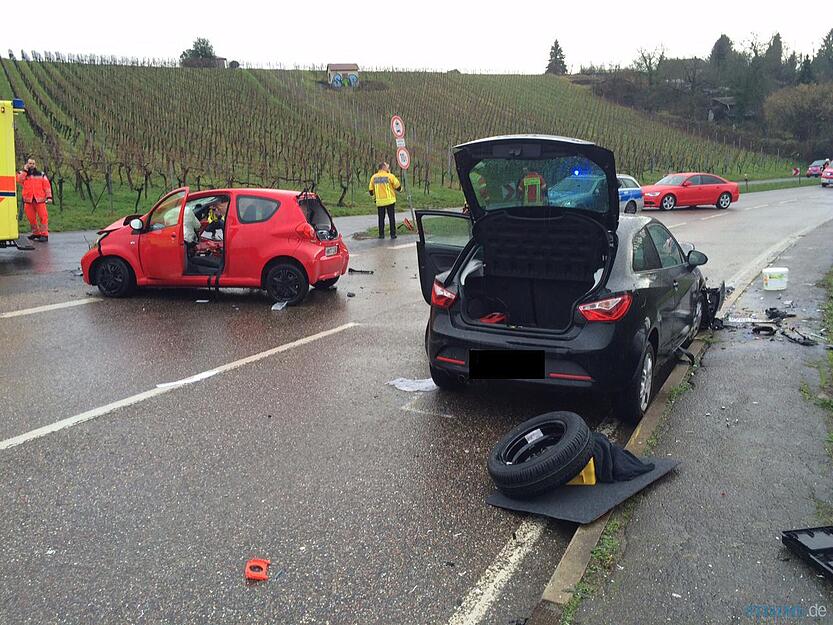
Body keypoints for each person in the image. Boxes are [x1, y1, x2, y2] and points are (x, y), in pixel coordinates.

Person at [16, 158, 52, 242]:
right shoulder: (23, 174)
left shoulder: (41, 174)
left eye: (33, 163)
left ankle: (44, 234)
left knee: (43, 217)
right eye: (29, 163)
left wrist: (49, 197)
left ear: (35, 165)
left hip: (40, 200)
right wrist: (25, 170)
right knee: (31, 218)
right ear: (26, 164)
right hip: (28, 200)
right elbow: (19, 180)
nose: (31, 165)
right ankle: (36, 233)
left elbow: (47, 186)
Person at [368, 162, 401, 239]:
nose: (388, 167)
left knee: (381, 218)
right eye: (387, 166)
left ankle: (381, 235)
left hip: (379, 201)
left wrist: (374, 198)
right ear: (383, 167)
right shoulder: (390, 176)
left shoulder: (374, 177)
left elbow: (370, 190)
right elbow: (398, 186)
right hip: (390, 201)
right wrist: (400, 190)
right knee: (391, 218)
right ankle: (393, 234)